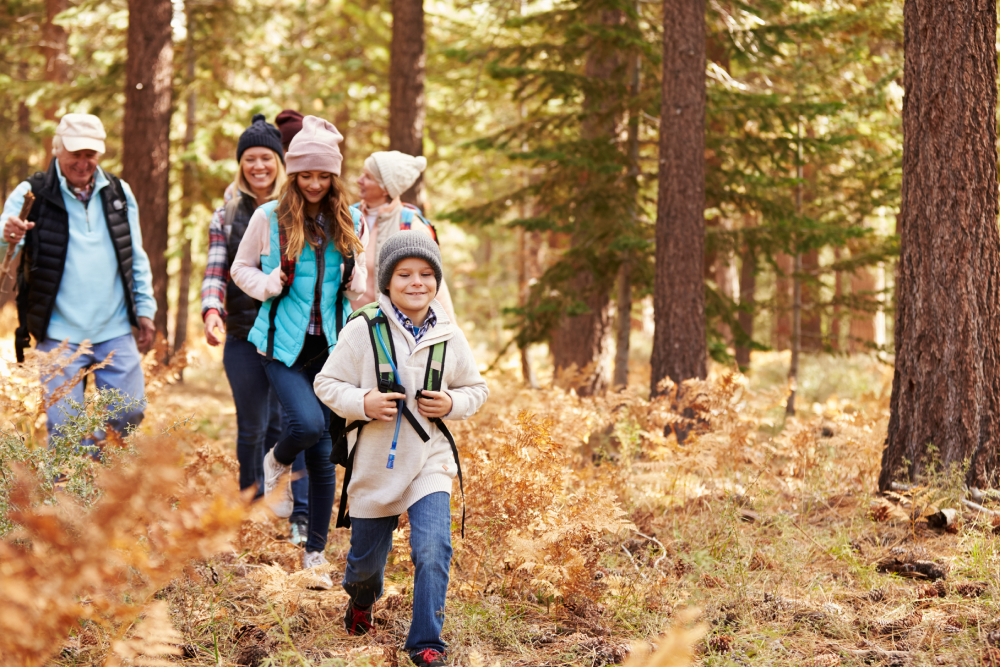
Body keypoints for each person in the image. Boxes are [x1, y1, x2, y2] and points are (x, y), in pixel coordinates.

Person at [313, 232, 488, 667]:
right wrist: (363, 402)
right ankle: (360, 602)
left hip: (429, 459)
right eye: (404, 274)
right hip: (376, 464)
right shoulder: (362, 330)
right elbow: (326, 384)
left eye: (427, 275)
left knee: (434, 547)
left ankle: (427, 642)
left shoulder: (449, 334)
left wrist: (452, 403)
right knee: (365, 568)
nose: (417, 283)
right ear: (386, 282)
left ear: (437, 281)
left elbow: (476, 388)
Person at [231, 115, 366, 588]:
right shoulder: (268, 217)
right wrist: (267, 284)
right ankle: (275, 459)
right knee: (306, 425)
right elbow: (239, 270)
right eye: (305, 175)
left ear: (334, 177)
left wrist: (359, 286)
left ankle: (315, 554)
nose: (312, 184)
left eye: (322, 176)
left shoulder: (349, 220)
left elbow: (358, 286)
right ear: (293, 175)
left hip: (330, 347)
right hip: (279, 345)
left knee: (326, 451)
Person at [0, 113, 156, 446]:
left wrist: (145, 310)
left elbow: (135, 255)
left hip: (113, 329)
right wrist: (8, 234)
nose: (84, 163)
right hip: (59, 335)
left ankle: (95, 466)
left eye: (91, 154)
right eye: (76, 153)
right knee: (65, 432)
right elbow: (6, 239)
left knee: (129, 414)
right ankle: (67, 495)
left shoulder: (118, 192)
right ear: (57, 149)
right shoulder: (33, 193)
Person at [200, 114, 311, 545]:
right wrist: (212, 309)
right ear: (240, 164)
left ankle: (294, 510)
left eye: (266, 157)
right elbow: (215, 272)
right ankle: (251, 511)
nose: (257, 166)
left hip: (290, 334)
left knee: (289, 425)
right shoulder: (226, 213)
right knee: (251, 426)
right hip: (244, 333)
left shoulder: (297, 205)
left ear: (279, 161)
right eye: (249, 159)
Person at [353, 151, 456, 321]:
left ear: (386, 188)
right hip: (347, 330)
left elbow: (434, 283)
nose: (359, 180)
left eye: (368, 177)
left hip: (392, 334)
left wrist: (450, 336)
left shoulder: (412, 226)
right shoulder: (347, 218)